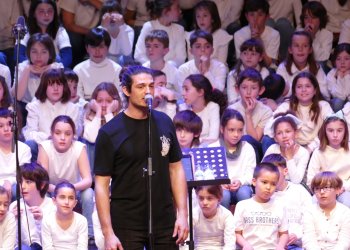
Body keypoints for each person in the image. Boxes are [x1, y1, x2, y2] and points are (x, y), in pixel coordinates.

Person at [94, 65, 188, 249]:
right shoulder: (109, 132)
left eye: (151, 86)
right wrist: (108, 233)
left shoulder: (164, 122)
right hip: (127, 221)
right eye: (141, 86)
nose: (148, 92)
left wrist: (182, 214)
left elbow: (176, 169)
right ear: (126, 90)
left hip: (164, 219)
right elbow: (102, 184)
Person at [37, 115, 94, 241]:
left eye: (67, 134)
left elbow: (88, 180)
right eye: (58, 133)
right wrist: (59, 191)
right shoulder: (45, 147)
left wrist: (68, 189)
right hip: (51, 190)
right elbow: (42, 181)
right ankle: (45, 234)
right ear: (52, 134)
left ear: (73, 135)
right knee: (41, 193)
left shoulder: (79, 147)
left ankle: (89, 235)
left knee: (88, 193)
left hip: (74, 191)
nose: (62, 138)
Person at [265, 71, 333, 153]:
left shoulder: (323, 106)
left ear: (315, 90)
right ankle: (273, 165)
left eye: (307, 86)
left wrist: (309, 148)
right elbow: (268, 129)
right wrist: (289, 142)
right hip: (291, 148)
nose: (303, 90)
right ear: (294, 92)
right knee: (267, 139)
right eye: (299, 87)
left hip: (316, 149)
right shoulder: (286, 105)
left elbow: (331, 129)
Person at [22, 68, 79, 161]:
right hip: (41, 147)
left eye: (59, 84)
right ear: (44, 87)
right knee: (30, 145)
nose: (56, 89)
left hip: (64, 148)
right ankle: (35, 174)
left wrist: (57, 139)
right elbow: (29, 134)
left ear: (64, 87)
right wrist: (48, 137)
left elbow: (74, 135)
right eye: (51, 84)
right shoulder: (34, 106)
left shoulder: (72, 108)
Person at [233, 162, 289, 249]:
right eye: (264, 182)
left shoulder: (280, 206)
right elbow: (237, 233)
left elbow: (284, 234)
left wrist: (280, 247)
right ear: (254, 182)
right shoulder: (242, 206)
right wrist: (245, 245)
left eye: (273, 184)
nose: (268, 187)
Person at [263, 153, 312, 250]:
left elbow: (310, 219)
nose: (271, 176)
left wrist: (297, 235)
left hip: (296, 243)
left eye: (275, 171)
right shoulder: (264, 194)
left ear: (285, 171)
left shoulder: (299, 191)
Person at [208, 108, 255, 209]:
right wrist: (219, 182)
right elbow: (208, 174)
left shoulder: (247, 148)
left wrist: (240, 181)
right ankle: (223, 223)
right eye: (231, 130)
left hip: (242, 186)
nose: (236, 134)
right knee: (223, 195)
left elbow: (250, 173)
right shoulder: (213, 148)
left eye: (240, 130)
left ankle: (244, 223)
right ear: (222, 129)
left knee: (244, 194)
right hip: (221, 187)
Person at [13, 33, 63, 124]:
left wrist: (46, 72)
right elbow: (18, 97)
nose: (38, 56)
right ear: (28, 53)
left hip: (51, 108)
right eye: (34, 51)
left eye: (43, 52)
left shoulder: (57, 68)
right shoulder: (22, 67)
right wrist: (27, 70)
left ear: (50, 54)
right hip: (26, 109)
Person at [227, 68, 273, 161]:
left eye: (253, 88)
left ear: (261, 90)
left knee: (247, 139)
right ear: (237, 89)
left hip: (256, 151)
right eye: (244, 88)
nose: (248, 92)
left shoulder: (266, 111)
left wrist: (248, 115)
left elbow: (254, 139)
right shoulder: (231, 109)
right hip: (236, 149)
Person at [307, 111, 350, 207]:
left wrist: (342, 187)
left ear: (345, 131)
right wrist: (328, 189)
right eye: (330, 130)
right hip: (323, 189)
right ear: (325, 132)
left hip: (345, 190)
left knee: (347, 200)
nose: (335, 135)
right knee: (314, 202)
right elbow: (311, 180)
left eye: (339, 130)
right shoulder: (318, 152)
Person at [10, 162, 56, 249]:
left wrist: (41, 222)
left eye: (28, 182)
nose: (22, 186)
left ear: (42, 185)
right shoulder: (14, 206)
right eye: (20, 182)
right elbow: (13, 244)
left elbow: (55, 242)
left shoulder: (52, 207)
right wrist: (13, 221)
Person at [16, 0, 72, 68]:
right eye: (41, 11)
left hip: (53, 71)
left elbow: (67, 57)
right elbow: (18, 55)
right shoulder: (25, 30)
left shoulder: (60, 31)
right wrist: (33, 68)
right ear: (34, 13)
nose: (46, 15)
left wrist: (53, 68)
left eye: (50, 11)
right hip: (30, 69)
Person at [303, 171, 350, 249]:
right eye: (317, 189)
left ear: (338, 189)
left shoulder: (346, 212)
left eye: (326, 188)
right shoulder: (309, 211)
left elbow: (345, 241)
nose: (321, 192)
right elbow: (308, 240)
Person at [74, 27, 122, 101]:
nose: (97, 51)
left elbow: (119, 96)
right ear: (87, 48)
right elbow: (77, 96)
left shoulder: (117, 69)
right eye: (93, 47)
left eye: (101, 47)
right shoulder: (78, 70)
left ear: (108, 48)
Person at [276, 31, 328, 99]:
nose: (300, 49)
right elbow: (279, 94)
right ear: (290, 50)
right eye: (296, 45)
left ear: (310, 50)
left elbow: (325, 93)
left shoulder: (316, 67)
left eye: (305, 46)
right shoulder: (283, 68)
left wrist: (290, 89)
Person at [134, 0, 186, 67]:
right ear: (166, 11)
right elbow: (139, 55)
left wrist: (164, 68)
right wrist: (153, 67)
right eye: (177, 8)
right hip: (149, 70)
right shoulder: (149, 26)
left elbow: (180, 58)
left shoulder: (179, 29)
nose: (180, 11)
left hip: (170, 71)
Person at [82, 82, 122, 169]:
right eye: (99, 101)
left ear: (115, 102)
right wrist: (98, 113)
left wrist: (108, 113)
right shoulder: (89, 116)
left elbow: (116, 139)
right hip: (94, 166)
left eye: (108, 101)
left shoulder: (122, 116)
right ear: (94, 102)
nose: (103, 105)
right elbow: (92, 138)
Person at [264, 112, 310, 184]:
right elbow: (262, 171)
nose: (284, 136)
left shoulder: (303, 153)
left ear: (295, 133)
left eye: (288, 131)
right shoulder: (272, 149)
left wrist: (289, 157)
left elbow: (296, 181)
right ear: (275, 138)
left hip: (294, 188)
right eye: (279, 133)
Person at [41, 181, 88, 249]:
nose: (67, 202)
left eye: (71, 198)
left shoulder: (81, 220)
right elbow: (47, 248)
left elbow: (82, 248)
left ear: (75, 203)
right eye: (62, 197)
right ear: (54, 201)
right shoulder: (47, 221)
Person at [234, 0, 280, 67]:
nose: (255, 19)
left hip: (268, 70)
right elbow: (241, 62)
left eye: (260, 15)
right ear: (246, 16)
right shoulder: (239, 35)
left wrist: (259, 41)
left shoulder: (274, 34)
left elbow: (268, 64)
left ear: (267, 17)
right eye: (252, 15)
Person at [182, 74, 224, 145]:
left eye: (186, 89)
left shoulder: (213, 107)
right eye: (183, 89)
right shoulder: (182, 108)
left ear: (200, 92)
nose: (183, 93)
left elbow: (213, 138)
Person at [186, 1, 232, 65]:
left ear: (213, 18)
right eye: (198, 16)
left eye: (205, 16)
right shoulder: (190, 36)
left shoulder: (222, 36)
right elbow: (191, 61)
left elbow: (221, 63)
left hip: (216, 71)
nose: (201, 19)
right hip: (196, 70)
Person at [59, 0, 103, 67]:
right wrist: (91, 32)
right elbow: (68, 25)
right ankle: (74, 68)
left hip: (96, 28)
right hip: (75, 31)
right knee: (75, 40)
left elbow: (110, 11)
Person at [0, 108, 31, 202]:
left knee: (18, 190)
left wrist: (9, 182)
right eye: (0, 126)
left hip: (16, 184)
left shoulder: (24, 149)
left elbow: (23, 175)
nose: (6, 129)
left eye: (10, 124)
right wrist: (4, 182)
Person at [226, 38, 270, 104]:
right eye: (245, 53)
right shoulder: (233, 75)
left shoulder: (264, 72)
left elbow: (261, 96)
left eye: (253, 54)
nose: (248, 57)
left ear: (260, 58)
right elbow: (232, 100)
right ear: (240, 56)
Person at [193, 185, 236, 249]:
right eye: (201, 198)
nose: (204, 202)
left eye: (209, 198)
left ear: (219, 199)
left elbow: (230, 244)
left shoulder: (226, 215)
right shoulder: (193, 214)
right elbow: (185, 242)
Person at [143, 30, 180, 95]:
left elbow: (181, 95)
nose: (150, 49)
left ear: (165, 50)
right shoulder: (142, 69)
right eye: (148, 46)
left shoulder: (173, 71)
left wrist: (168, 93)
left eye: (156, 46)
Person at [300, 1, 333, 70]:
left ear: (320, 19)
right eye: (306, 17)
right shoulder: (299, 32)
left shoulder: (327, 35)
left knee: (320, 64)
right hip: (302, 66)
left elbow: (323, 58)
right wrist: (304, 37)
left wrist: (312, 39)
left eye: (313, 17)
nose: (309, 21)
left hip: (320, 67)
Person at [100, 0, 134, 65]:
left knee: (123, 58)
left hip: (123, 64)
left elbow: (127, 53)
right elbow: (100, 52)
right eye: (108, 14)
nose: (111, 17)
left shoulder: (128, 30)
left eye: (114, 13)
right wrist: (104, 28)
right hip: (105, 62)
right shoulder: (99, 30)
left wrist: (122, 27)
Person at [326, 43, 350, 111]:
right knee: (338, 102)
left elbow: (347, 93)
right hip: (337, 105)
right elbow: (341, 96)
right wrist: (340, 77)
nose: (342, 62)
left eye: (346, 59)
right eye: (338, 59)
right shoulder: (331, 74)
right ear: (334, 61)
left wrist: (347, 76)